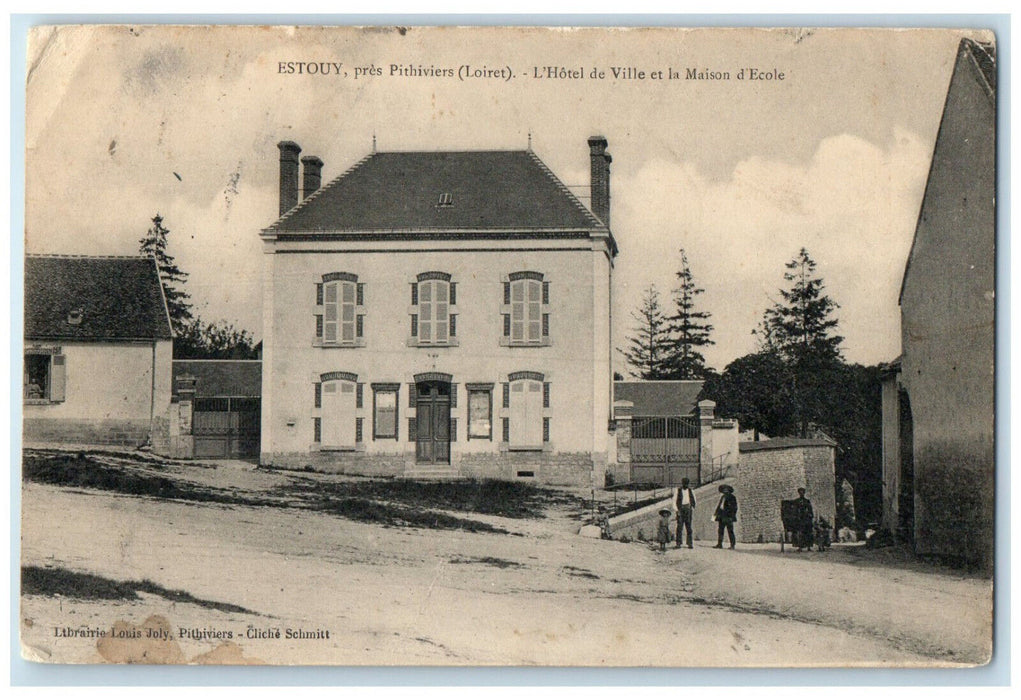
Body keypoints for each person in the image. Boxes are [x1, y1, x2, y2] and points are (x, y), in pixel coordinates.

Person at [713, 484, 738, 549]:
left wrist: (731, 516)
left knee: (730, 531)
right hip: (721, 516)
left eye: (726, 490)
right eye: (724, 490)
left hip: (728, 516)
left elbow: (734, 507)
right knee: (720, 530)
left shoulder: (732, 497)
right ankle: (719, 544)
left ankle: (732, 545)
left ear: (729, 491)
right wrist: (715, 514)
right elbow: (720, 506)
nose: (725, 491)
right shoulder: (723, 497)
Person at [674, 477, 696, 549]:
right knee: (679, 527)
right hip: (680, 509)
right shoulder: (678, 490)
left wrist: (691, 508)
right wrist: (677, 510)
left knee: (689, 527)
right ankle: (678, 543)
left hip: (688, 510)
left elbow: (694, 500)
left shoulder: (691, 491)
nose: (686, 485)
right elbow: (674, 501)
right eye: (684, 483)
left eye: (687, 483)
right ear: (682, 483)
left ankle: (690, 543)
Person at [793, 488, 814, 552]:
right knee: (800, 534)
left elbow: (810, 509)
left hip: (806, 519)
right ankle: (800, 547)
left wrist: (810, 516)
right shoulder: (796, 501)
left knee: (808, 533)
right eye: (800, 492)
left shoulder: (807, 501)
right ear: (798, 493)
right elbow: (795, 510)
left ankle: (809, 547)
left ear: (804, 493)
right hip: (800, 519)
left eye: (802, 492)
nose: (801, 493)